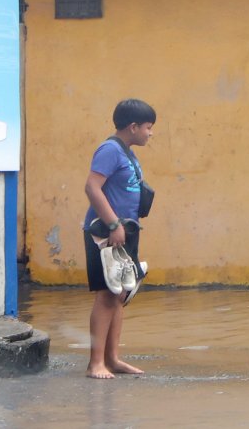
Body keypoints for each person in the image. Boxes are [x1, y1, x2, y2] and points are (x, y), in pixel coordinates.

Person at [82, 98, 156, 379]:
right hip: (106, 233)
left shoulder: (127, 152)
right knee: (107, 294)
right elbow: (92, 186)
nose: (150, 133)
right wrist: (113, 223)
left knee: (121, 293)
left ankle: (112, 359)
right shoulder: (109, 150)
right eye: (148, 127)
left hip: (125, 232)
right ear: (133, 126)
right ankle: (95, 363)